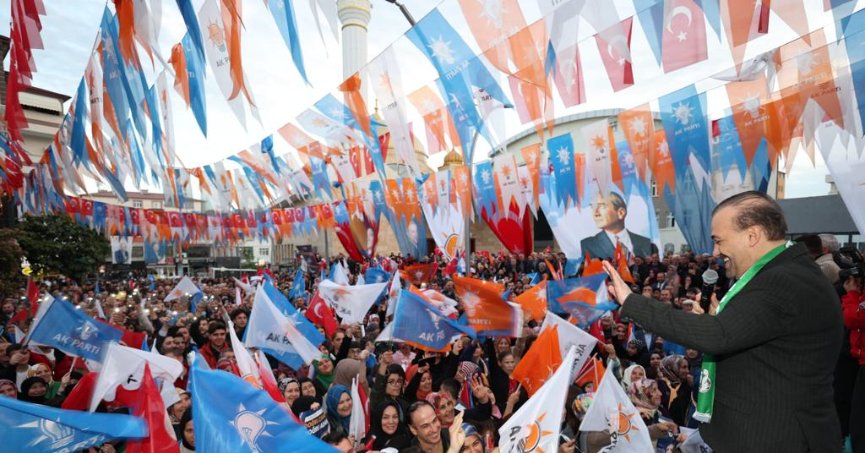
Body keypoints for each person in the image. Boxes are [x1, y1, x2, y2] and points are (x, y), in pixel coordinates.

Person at [603, 190, 843, 451]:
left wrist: (632, 302)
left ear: (752, 236)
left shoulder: (782, 281)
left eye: (719, 240)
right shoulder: (782, 274)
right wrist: (721, 321)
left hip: (778, 438)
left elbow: (718, 336)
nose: (715, 251)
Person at [579, 191, 657, 259]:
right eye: (592, 207)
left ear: (621, 213)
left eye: (602, 206)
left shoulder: (645, 243)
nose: (595, 213)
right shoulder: (588, 245)